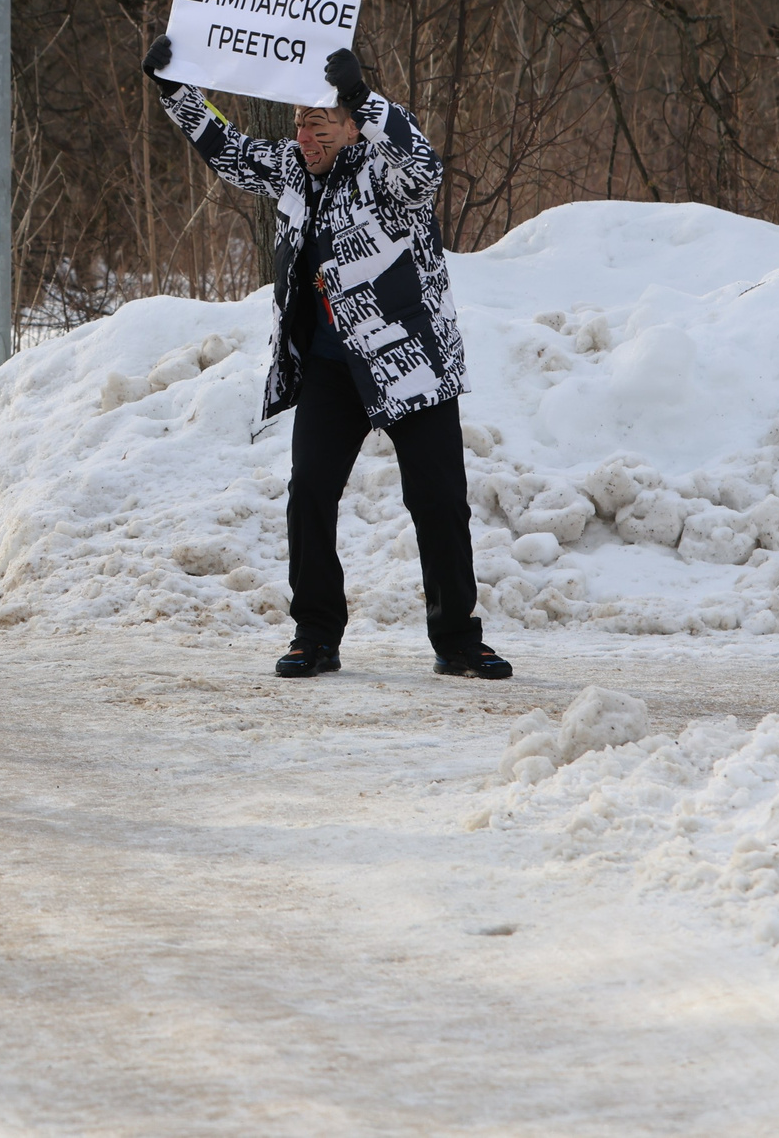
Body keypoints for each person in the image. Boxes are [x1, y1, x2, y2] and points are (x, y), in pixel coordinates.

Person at [141, 38, 510, 682]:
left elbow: (426, 166)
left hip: (409, 358)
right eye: (300, 123)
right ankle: (314, 634)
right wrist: (177, 90)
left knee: (440, 499)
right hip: (328, 367)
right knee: (309, 492)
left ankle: (457, 640)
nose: (306, 135)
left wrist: (367, 99)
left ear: (348, 124)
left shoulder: (385, 170)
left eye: (321, 122)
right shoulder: (290, 168)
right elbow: (230, 152)